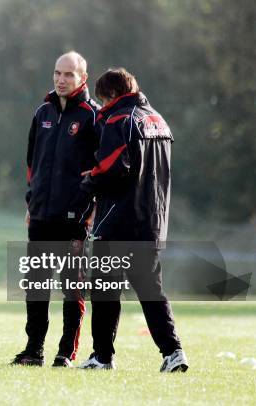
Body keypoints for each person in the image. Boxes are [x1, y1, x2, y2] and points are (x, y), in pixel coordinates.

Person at [77, 68, 189, 372]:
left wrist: (89, 182)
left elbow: (115, 167)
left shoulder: (119, 120)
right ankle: (173, 353)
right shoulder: (157, 119)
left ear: (110, 94)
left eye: (103, 98)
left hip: (117, 221)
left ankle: (102, 356)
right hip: (152, 221)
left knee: (105, 291)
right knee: (152, 292)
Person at [11, 51, 100, 367]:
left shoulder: (92, 116)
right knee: (35, 286)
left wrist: (93, 207)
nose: (61, 80)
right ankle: (33, 350)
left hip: (74, 219)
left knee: (72, 289)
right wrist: (30, 203)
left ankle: (66, 352)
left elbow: (101, 169)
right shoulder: (42, 112)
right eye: (57, 73)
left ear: (82, 79)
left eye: (69, 75)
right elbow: (31, 164)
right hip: (41, 216)